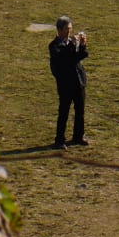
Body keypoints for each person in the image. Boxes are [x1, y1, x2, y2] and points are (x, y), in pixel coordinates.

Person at [49, 15, 89, 148]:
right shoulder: (54, 46)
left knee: (80, 111)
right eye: (67, 29)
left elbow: (79, 57)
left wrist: (82, 45)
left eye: (70, 29)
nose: (69, 32)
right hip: (65, 84)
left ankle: (78, 136)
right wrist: (72, 44)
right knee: (64, 112)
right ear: (60, 30)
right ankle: (59, 140)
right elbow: (63, 58)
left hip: (78, 81)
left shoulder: (70, 43)